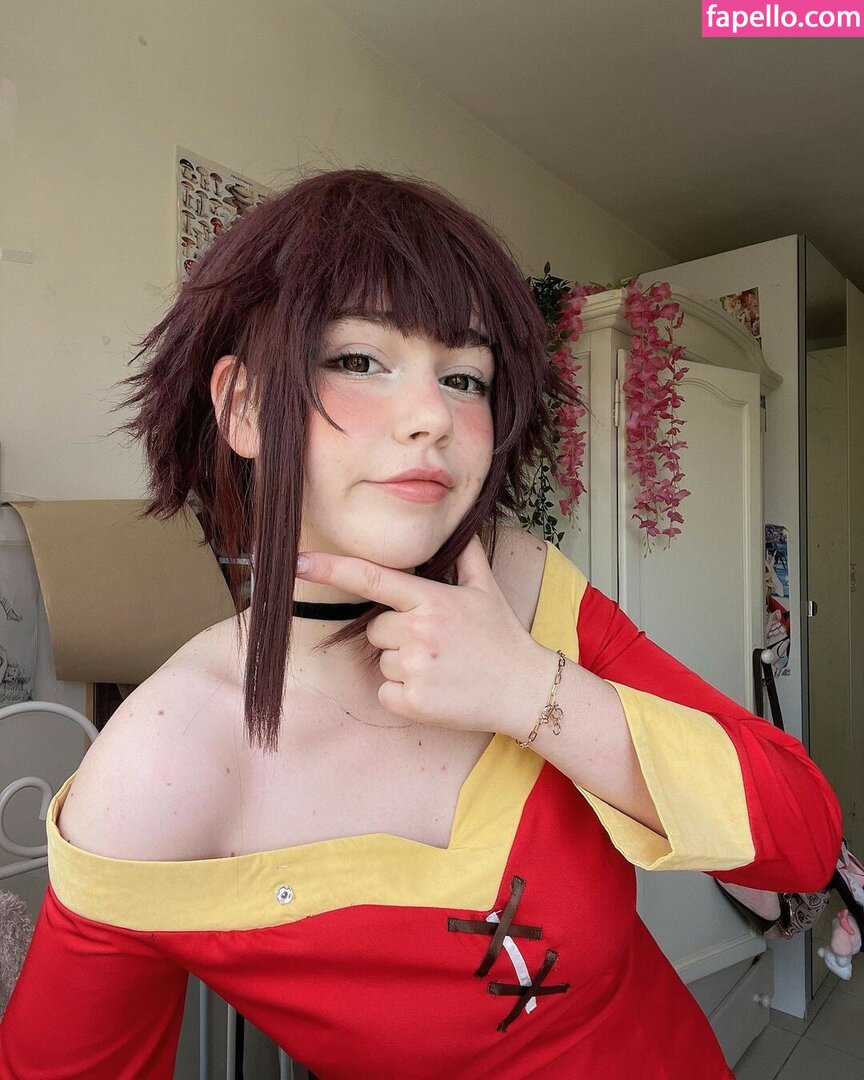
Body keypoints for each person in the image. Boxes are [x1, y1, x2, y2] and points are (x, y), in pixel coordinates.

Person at [0, 168, 843, 1079]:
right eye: (359, 360)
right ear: (243, 406)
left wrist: (531, 690)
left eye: (465, 376)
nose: (433, 416)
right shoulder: (160, 767)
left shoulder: (526, 586)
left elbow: (802, 844)